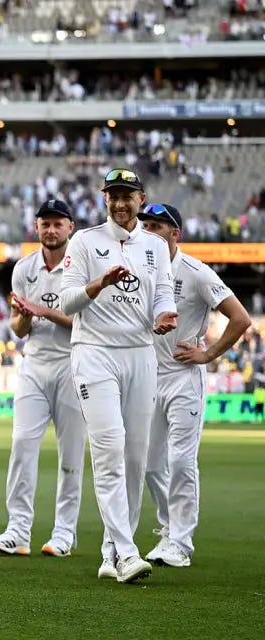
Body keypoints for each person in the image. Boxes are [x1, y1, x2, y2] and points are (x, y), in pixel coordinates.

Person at [60, 168, 178, 584]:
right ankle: (128, 553)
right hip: (94, 353)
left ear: (141, 199)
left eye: (128, 195)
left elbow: (162, 292)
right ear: (104, 199)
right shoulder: (84, 241)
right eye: (114, 195)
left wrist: (165, 314)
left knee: (135, 458)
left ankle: (111, 550)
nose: (121, 203)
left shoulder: (155, 246)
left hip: (140, 354)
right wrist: (99, 283)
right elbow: (67, 301)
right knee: (109, 448)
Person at [138, 203, 251, 567]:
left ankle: (181, 544)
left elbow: (240, 318)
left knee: (181, 460)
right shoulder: (139, 270)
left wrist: (209, 354)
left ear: (176, 234)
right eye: (145, 225)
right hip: (148, 377)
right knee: (150, 464)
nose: (148, 231)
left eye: (156, 226)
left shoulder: (196, 272)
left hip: (184, 377)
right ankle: (169, 529)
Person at [0, 199, 86, 558]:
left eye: (58, 224)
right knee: (22, 445)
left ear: (70, 227)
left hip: (73, 365)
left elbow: (87, 323)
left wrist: (44, 310)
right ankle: (18, 531)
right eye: (46, 223)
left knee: (70, 453)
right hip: (34, 365)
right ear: (37, 227)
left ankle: (64, 534)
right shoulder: (24, 268)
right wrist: (25, 317)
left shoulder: (83, 265)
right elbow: (17, 328)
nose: (51, 230)